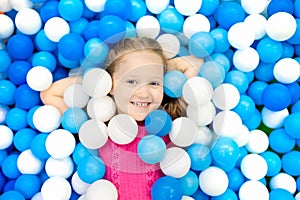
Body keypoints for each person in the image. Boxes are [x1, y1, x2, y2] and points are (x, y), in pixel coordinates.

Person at [40, 36, 203, 199]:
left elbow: (196, 63)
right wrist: (97, 82)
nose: (143, 93)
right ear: (110, 84)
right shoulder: (99, 127)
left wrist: (162, 66)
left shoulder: (169, 124)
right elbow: (50, 94)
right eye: (131, 81)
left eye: (154, 83)